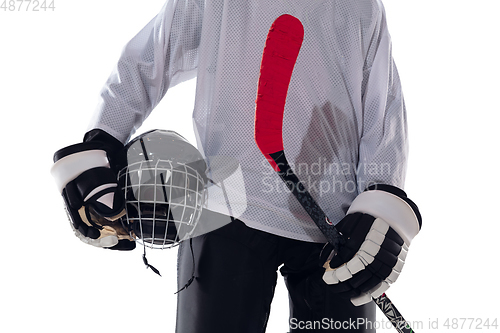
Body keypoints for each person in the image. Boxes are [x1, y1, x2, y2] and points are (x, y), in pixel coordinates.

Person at [51, 0, 422, 332]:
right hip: (226, 210)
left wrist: (381, 198)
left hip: (336, 227)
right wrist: (103, 140)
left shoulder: (361, 8)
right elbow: (149, 60)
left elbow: (382, 107)